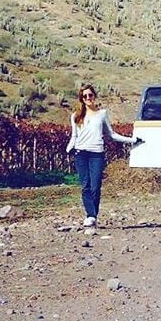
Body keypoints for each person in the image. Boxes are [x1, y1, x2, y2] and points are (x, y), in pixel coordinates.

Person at [66, 83, 133, 228]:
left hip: (97, 153)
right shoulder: (76, 116)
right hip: (81, 153)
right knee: (85, 186)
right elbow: (74, 136)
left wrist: (132, 140)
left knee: (95, 186)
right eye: (85, 96)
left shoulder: (102, 114)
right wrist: (68, 149)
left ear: (94, 96)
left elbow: (112, 134)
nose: (88, 98)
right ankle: (91, 216)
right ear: (81, 99)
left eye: (90, 95)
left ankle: (93, 215)